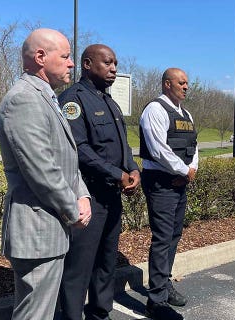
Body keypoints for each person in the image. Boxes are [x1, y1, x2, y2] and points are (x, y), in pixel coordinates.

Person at [0, 28, 92, 320]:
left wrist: (83, 194)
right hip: (36, 227)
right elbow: (40, 168)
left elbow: (66, 159)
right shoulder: (23, 99)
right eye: (65, 56)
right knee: (34, 314)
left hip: (49, 225)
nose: (71, 63)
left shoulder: (46, 97)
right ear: (40, 57)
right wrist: (71, 207)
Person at [58, 44, 140, 320]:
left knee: (106, 261)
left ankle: (100, 313)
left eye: (115, 63)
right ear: (87, 64)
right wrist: (116, 174)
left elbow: (123, 146)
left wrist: (133, 169)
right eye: (107, 63)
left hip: (112, 196)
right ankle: (71, 316)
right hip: (88, 196)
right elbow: (78, 148)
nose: (114, 68)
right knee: (79, 266)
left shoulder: (109, 101)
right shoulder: (73, 99)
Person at [139, 67, 198, 320]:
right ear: (166, 84)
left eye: (187, 83)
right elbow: (158, 149)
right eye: (181, 82)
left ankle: (163, 285)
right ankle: (156, 301)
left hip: (180, 180)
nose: (186, 87)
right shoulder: (155, 110)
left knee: (173, 235)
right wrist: (184, 170)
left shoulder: (185, 113)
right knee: (163, 238)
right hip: (161, 182)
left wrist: (191, 168)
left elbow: (193, 146)